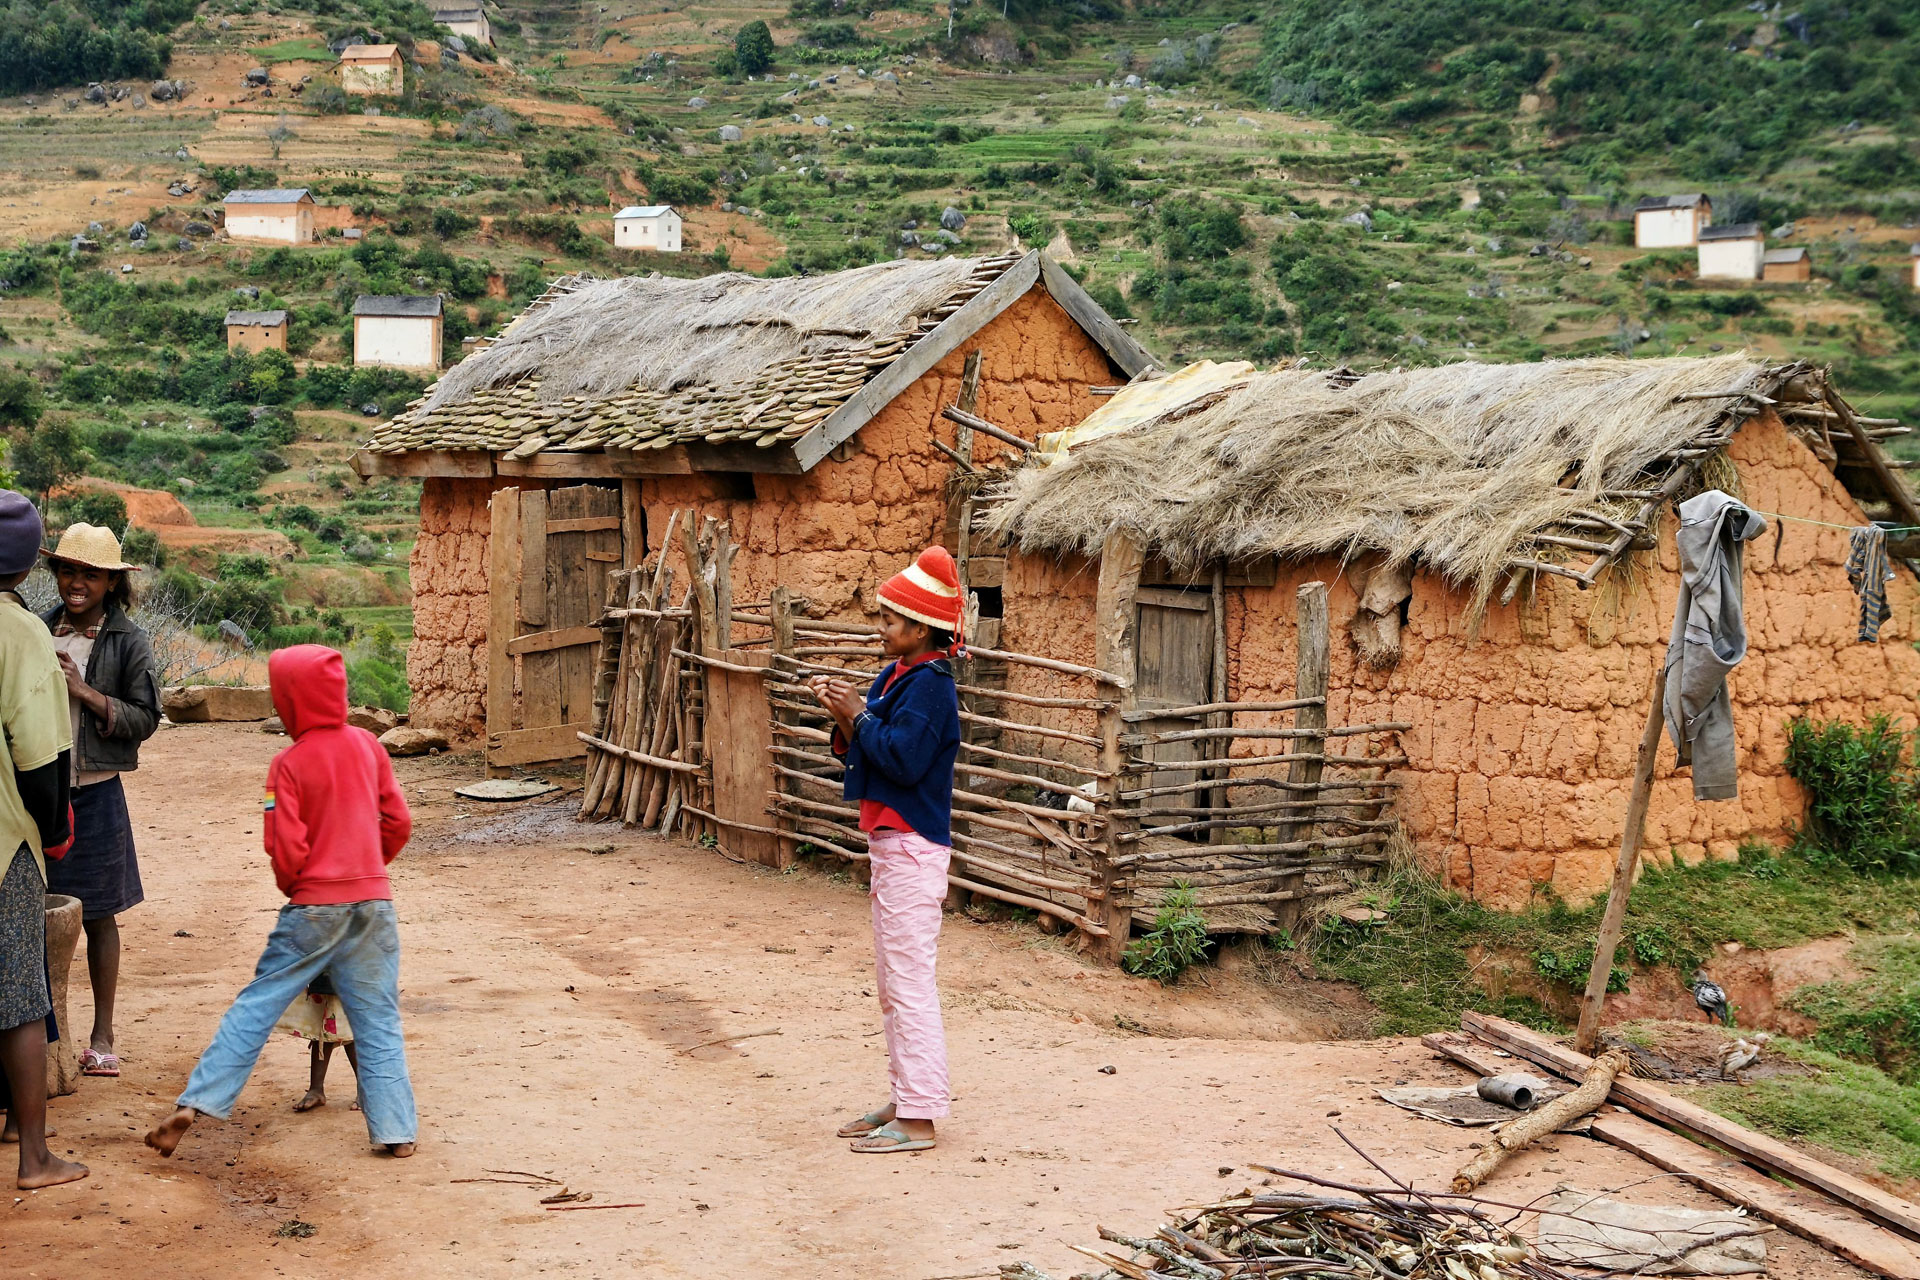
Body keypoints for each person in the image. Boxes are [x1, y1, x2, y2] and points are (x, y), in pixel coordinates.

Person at [145, 644, 417, 1159]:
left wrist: (303, 887)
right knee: (378, 1019)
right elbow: (398, 823)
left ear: (290, 700)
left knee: (258, 1004)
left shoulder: (287, 764)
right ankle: (397, 1132)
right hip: (373, 902)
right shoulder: (368, 746)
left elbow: (285, 847)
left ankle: (195, 1102)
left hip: (313, 908)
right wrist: (367, 867)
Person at [811, 546, 963, 1154]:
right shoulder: (898, 678)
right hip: (891, 846)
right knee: (893, 982)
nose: (879, 628)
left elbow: (902, 760)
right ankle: (906, 1098)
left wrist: (859, 717)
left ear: (921, 628)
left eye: (889, 620)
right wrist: (847, 717)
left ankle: (920, 1119)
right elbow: (866, 751)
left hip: (912, 848)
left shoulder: (932, 690)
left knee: (908, 982)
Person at [40, 523, 161, 1080]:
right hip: (36, 797)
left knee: (99, 916)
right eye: (68, 570)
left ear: (112, 583)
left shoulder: (127, 642)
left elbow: (144, 719)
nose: (76, 583)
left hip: (95, 794)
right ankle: (45, 1034)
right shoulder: (37, 629)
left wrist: (84, 692)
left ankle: (103, 1032)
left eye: (90, 574)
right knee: (31, 916)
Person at [0, 491, 87, 1189]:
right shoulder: (21, 632)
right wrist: (54, 830)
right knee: (21, 998)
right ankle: (34, 1156)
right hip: (3, 843)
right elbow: (38, 757)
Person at [276, 971, 358, 1113]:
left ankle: (367, 1089)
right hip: (325, 969)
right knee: (324, 1022)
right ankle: (316, 1089)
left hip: (352, 968)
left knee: (348, 1028)